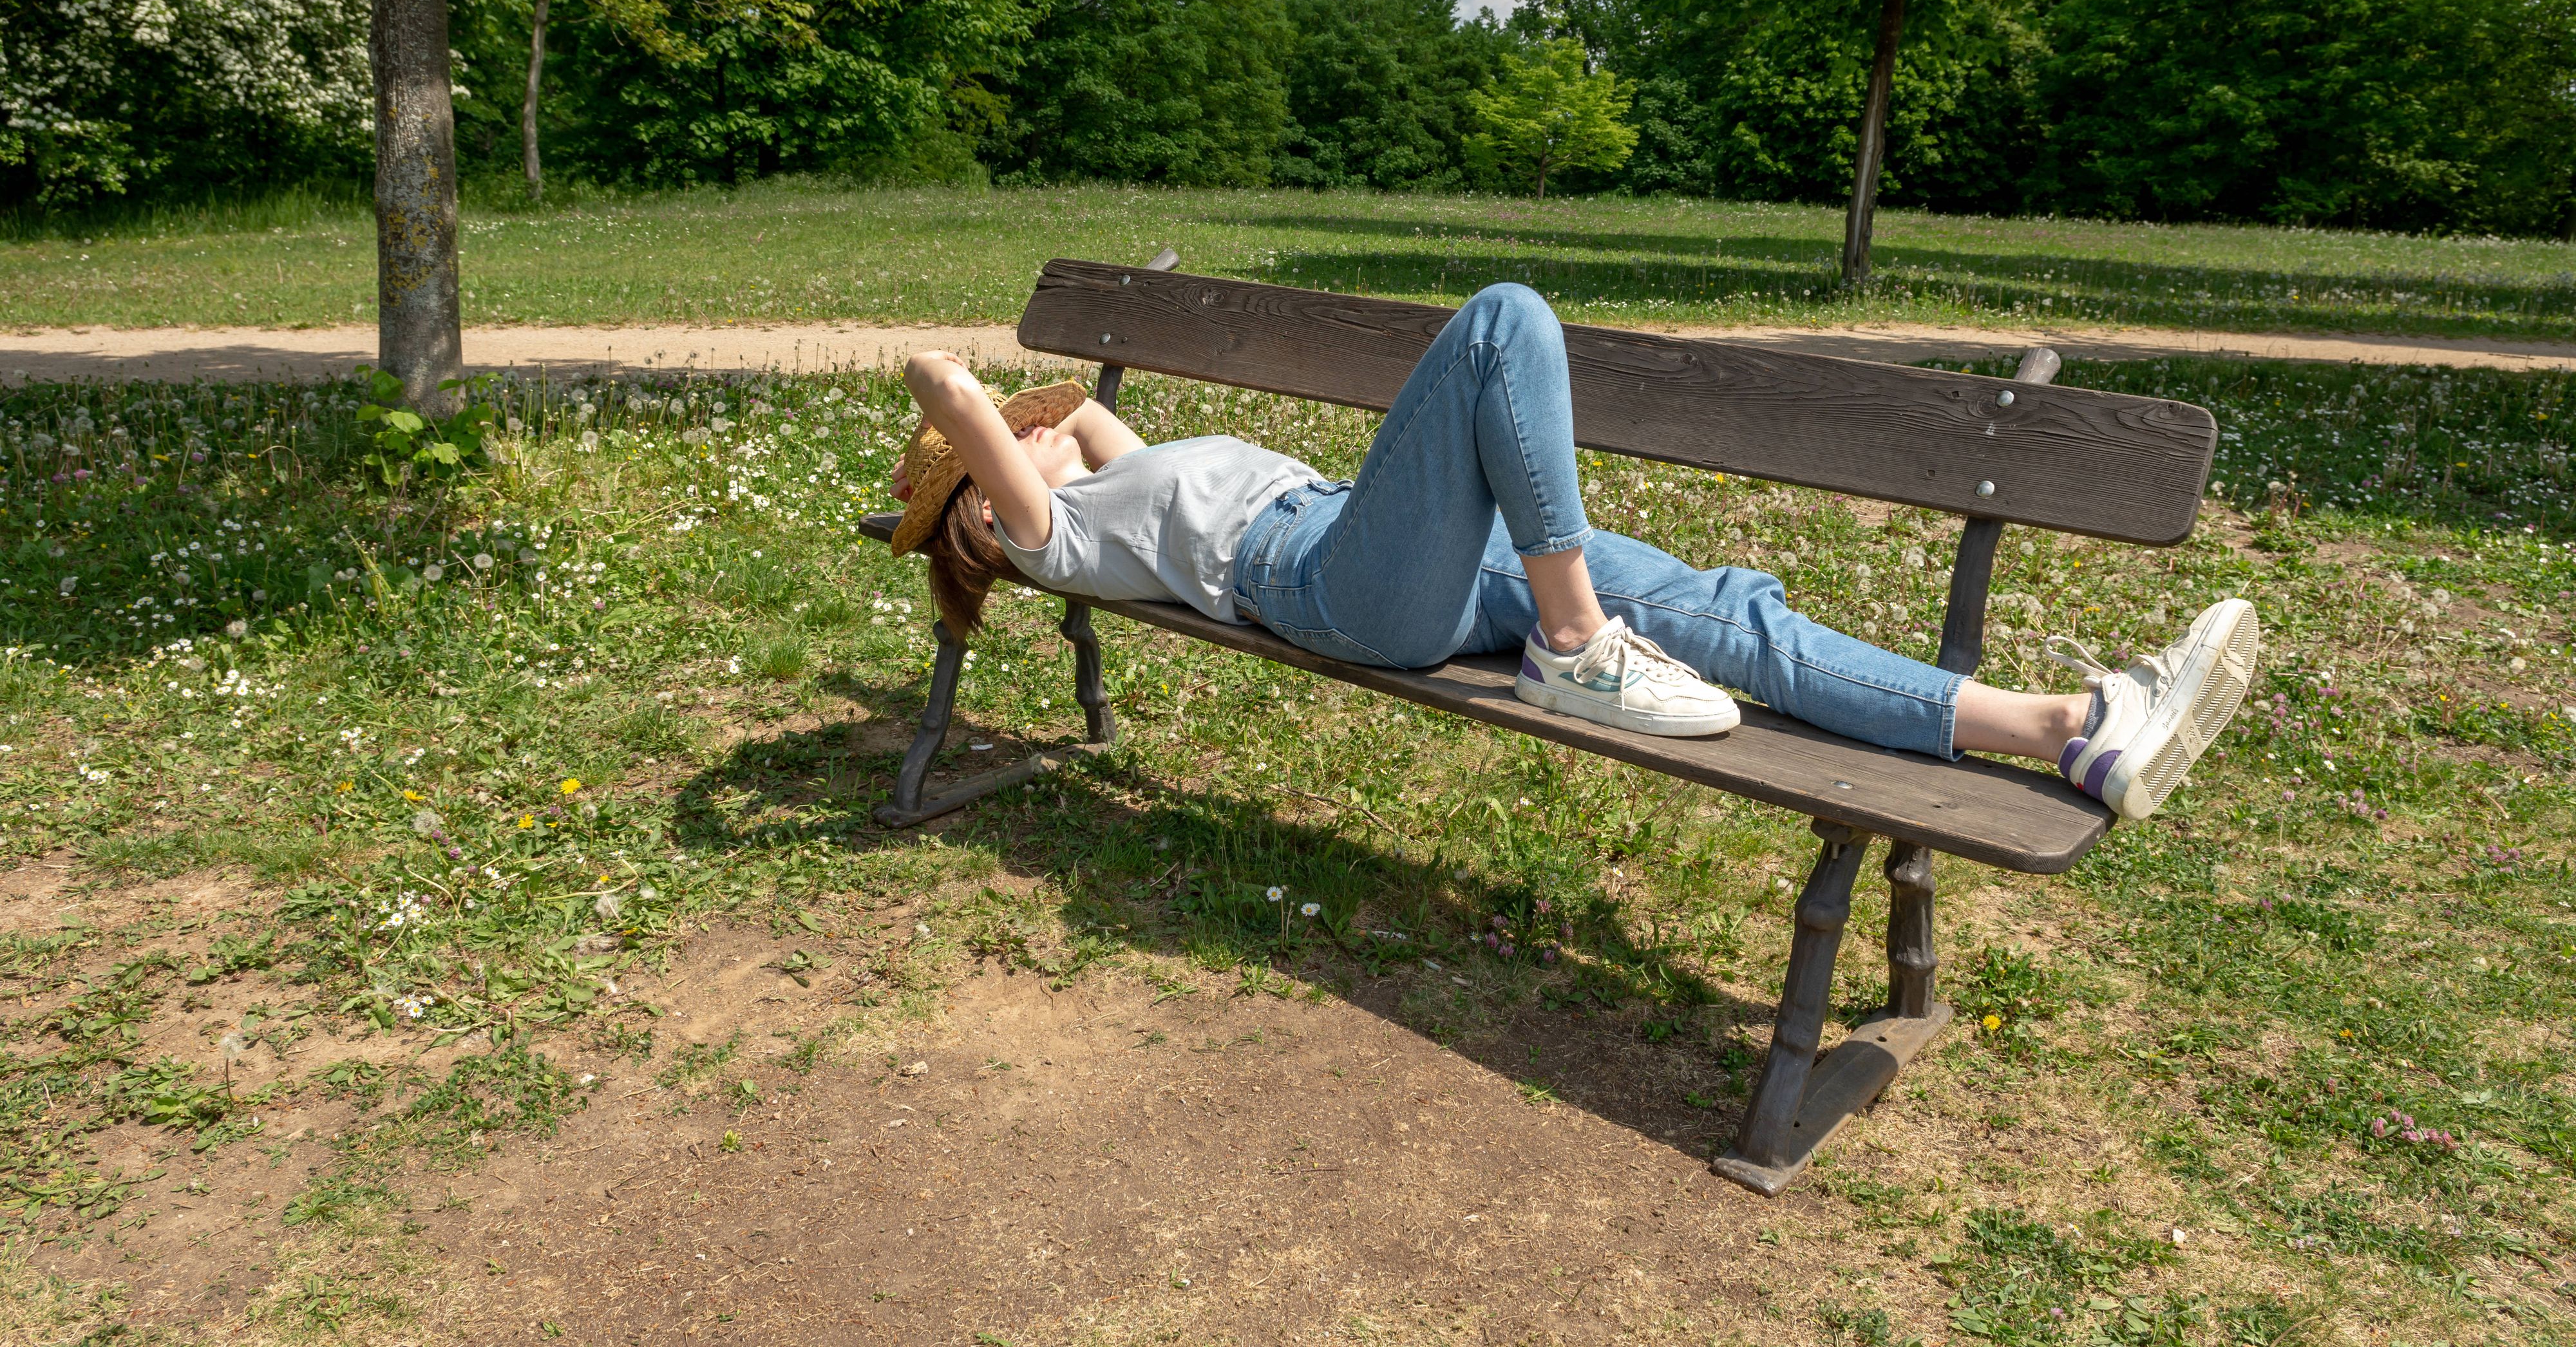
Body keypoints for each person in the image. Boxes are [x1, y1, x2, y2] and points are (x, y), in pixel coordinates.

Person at [889, 283, 2259, 822]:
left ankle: (2068, 727)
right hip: (1331, 585)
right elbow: (954, 387)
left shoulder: (1118, 475)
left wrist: (1057, 414)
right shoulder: (1049, 532)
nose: (1045, 430)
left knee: (1724, 612)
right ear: (981, 505)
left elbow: (1084, 412)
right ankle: (1573, 641)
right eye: (1014, 448)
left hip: (1386, 548)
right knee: (1500, 324)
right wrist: (974, 446)